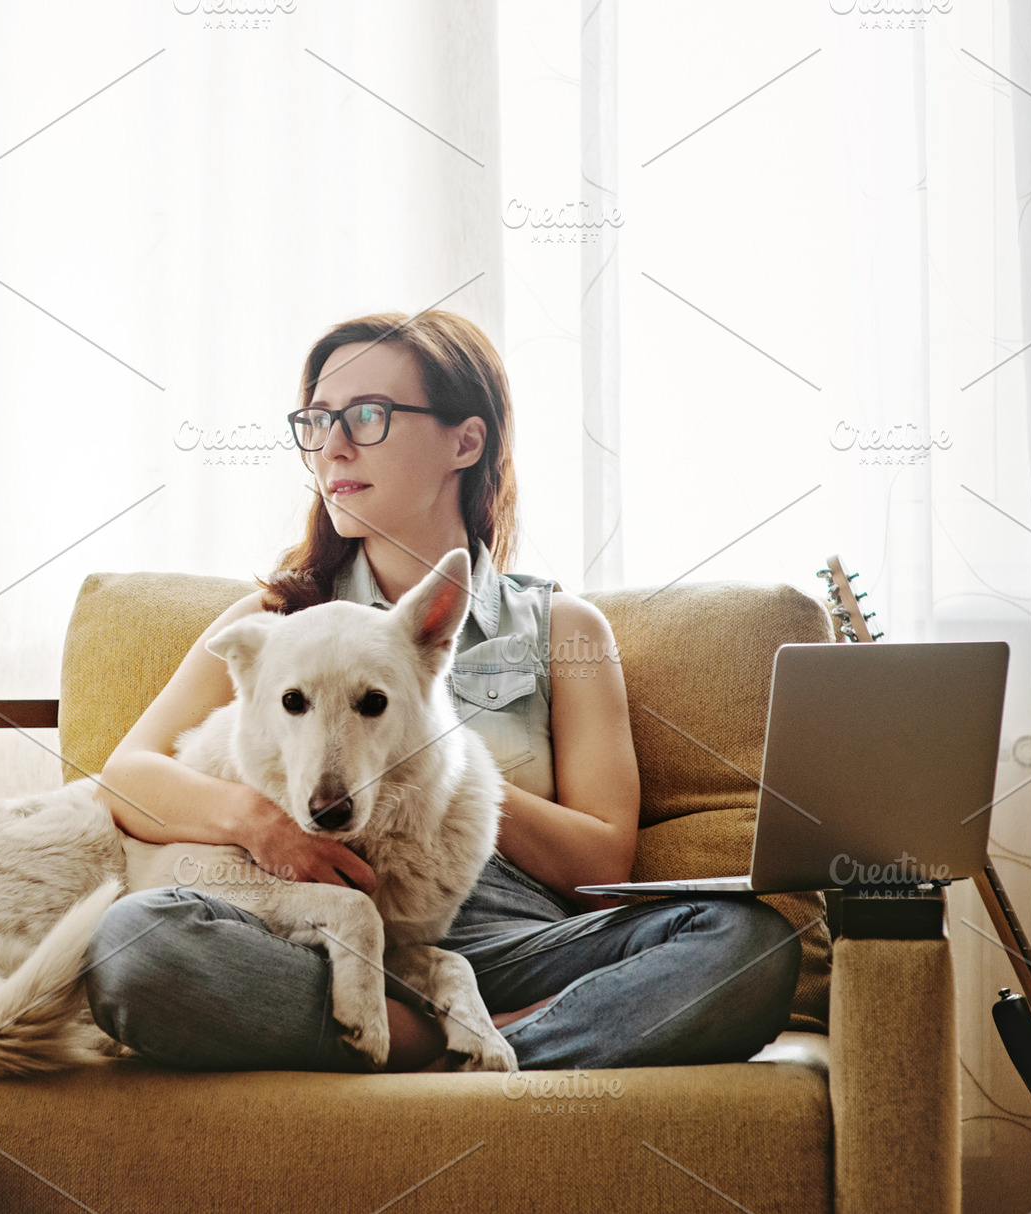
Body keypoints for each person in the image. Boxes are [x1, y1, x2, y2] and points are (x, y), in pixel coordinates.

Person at [82, 310, 800, 1072]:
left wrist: (441, 764)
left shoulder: (563, 628)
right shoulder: (275, 622)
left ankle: (450, 1036)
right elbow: (126, 777)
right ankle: (448, 1037)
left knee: (749, 944)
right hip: (311, 937)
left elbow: (602, 861)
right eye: (317, 421)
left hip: (510, 943)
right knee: (135, 947)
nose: (332, 446)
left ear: (467, 440)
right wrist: (261, 822)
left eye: (367, 415)